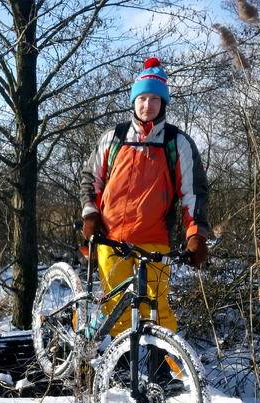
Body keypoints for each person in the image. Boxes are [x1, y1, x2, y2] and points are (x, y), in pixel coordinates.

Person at [79, 57, 210, 337]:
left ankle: (171, 375)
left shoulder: (177, 143)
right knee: (118, 307)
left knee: (157, 308)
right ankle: (126, 372)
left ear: (163, 103)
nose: (147, 105)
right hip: (111, 238)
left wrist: (195, 235)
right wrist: (90, 215)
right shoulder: (114, 137)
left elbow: (193, 193)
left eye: (154, 99)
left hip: (155, 241)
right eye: (142, 98)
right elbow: (91, 179)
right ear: (133, 101)